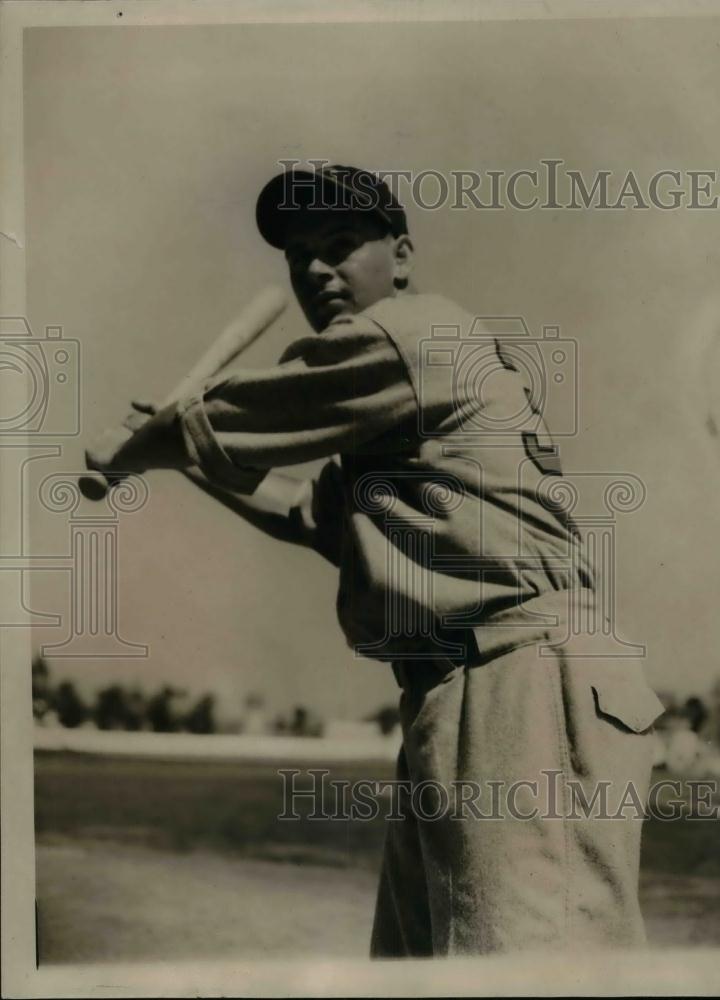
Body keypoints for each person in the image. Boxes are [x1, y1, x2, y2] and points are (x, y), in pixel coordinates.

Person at [89, 163, 665, 956]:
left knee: (530, 968)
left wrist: (154, 443)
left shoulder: (411, 334)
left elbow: (240, 414)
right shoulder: (391, 406)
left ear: (399, 254)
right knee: (424, 964)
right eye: (299, 257)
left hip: (521, 681)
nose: (316, 269)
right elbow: (304, 513)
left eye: (339, 243)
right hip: (466, 690)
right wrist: (181, 454)